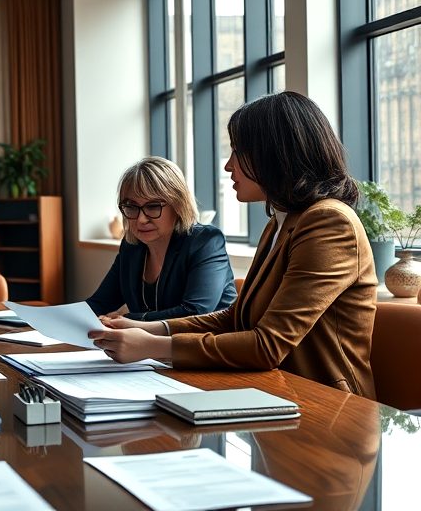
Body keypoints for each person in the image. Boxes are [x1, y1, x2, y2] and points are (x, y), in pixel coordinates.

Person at [91, 91, 377, 398]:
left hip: (328, 407)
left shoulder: (329, 223)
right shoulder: (279, 224)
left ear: (274, 155)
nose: (228, 166)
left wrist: (155, 346)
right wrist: (153, 329)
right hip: (273, 393)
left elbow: (267, 346)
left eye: (238, 152)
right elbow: (235, 317)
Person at [85, 156, 236, 321]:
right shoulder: (132, 246)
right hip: (152, 346)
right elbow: (99, 304)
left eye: (153, 206)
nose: (141, 219)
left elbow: (194, 312)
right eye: (131, 207)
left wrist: (127, 320)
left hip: (208, 343)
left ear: (178, 205)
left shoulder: (205, 241)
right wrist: (56, 320)